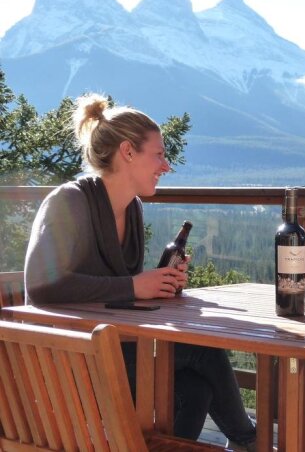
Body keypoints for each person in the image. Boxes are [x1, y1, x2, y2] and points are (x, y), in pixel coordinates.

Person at [24, 94, 257, 451]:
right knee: (204, 353)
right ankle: (250, 442)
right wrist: (134, 286)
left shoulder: (131, 208)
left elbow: (117, 292)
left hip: (107, 350)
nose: (166, 166)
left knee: (195, 390)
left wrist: (160, 282)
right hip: (66, 361)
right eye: (159, 154)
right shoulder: (69, 201)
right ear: (128, 152)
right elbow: (41, 286)